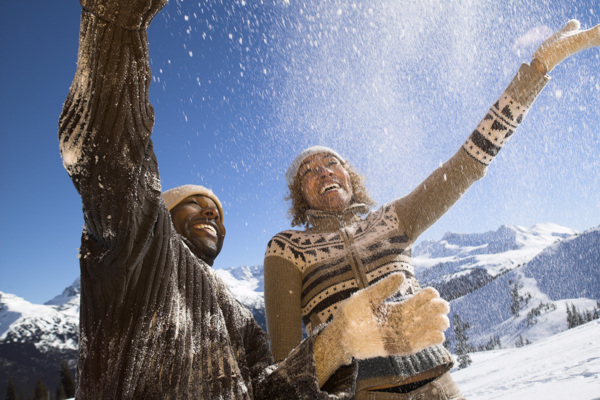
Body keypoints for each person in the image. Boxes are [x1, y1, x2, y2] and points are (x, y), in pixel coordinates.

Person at [58, 0, 453, 398]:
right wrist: (114, 23)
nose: (213, 210)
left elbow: (273, 389)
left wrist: (342, 338)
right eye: (195, 202)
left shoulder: (237, 315)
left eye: (219, 211)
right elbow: (108, 157)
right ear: (160, 214)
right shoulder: (134, 255)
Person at [264, 20, 600, 399]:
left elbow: (468, 162)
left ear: (349, 176)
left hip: (440, 387)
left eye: (332, 163)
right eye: (308, 171)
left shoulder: (394, 218)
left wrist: (537, 69)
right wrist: (343, 337)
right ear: (299, 194)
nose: (323, 171)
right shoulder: (286, 247)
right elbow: (285, 366)